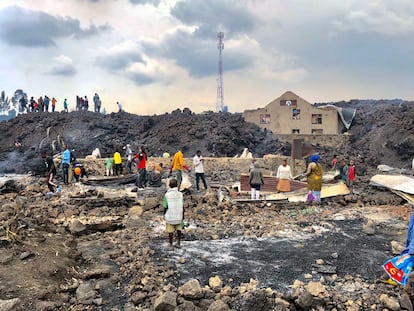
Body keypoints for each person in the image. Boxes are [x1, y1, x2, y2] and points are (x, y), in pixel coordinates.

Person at [163, 178, 184, 249]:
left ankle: (171, 245)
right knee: (179, 229)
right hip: (179, 215)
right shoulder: (180, 194)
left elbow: (165, 206)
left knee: (170, 231)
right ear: (177, 185)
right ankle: (178, 243)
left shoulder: (167, 195)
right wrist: (183, 215)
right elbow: (182, 205)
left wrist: (164, 214)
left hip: (170, 216)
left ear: (169, 185)